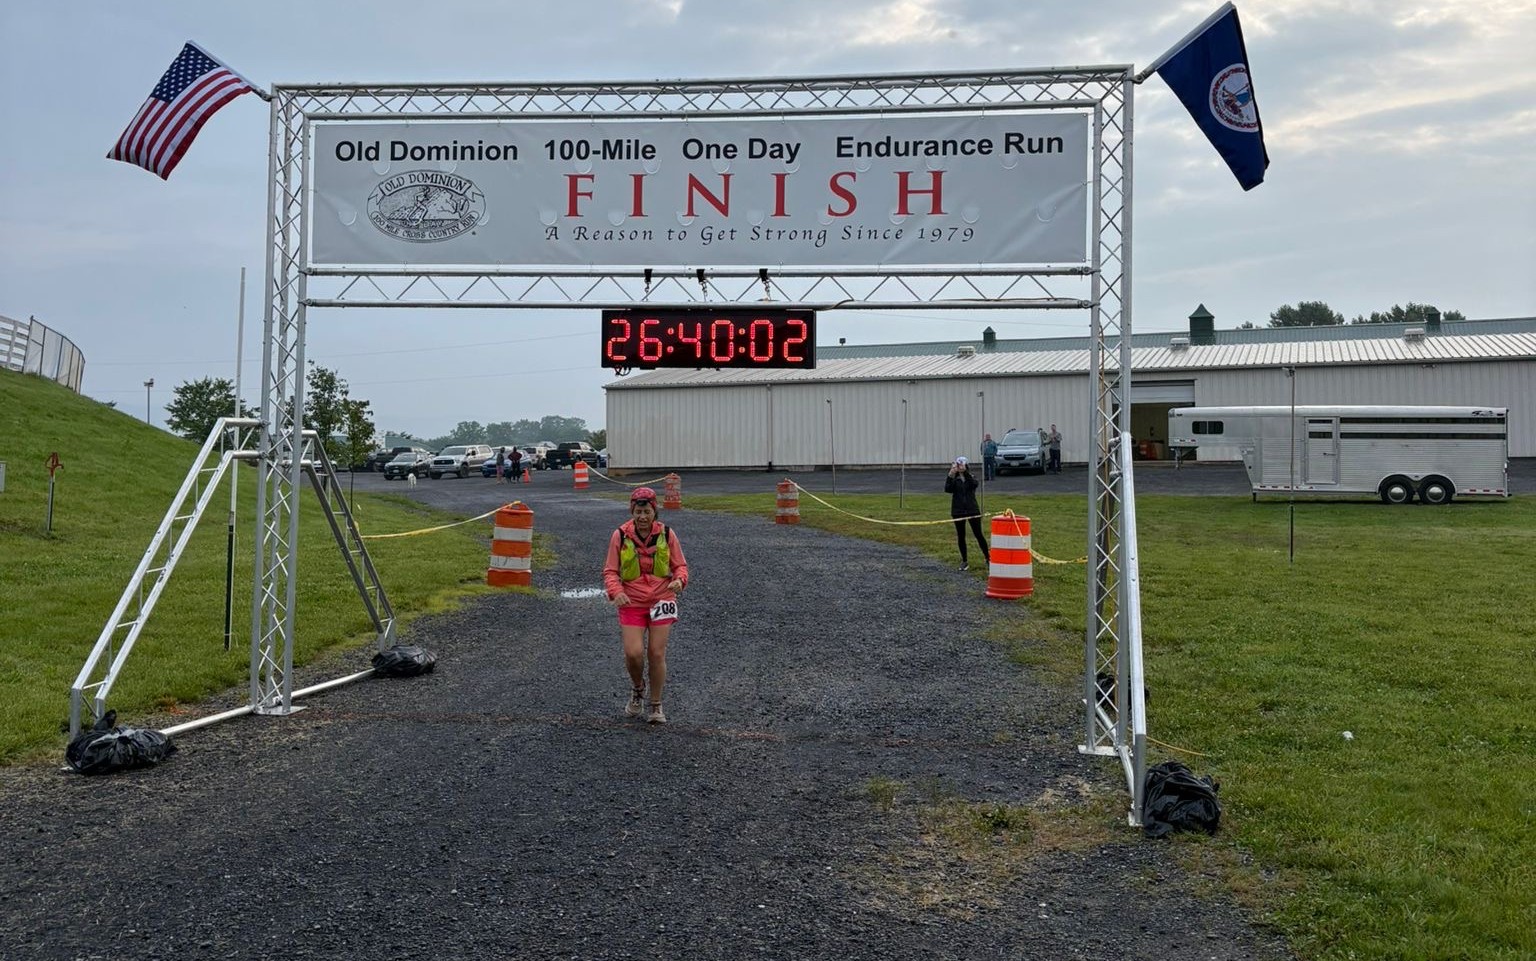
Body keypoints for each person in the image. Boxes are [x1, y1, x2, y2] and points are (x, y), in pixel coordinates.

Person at [602, 487, 689, 724]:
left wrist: (680, 581)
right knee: (633, 653)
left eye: (647, 512)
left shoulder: (668, 534)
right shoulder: (619, 535)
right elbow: (610, 570)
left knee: (656, 653)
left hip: (663, 598)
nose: (642, 517)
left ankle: (656, 704)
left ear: (655, 512)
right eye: (638, 511)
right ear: (632, 511)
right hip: (632, 600)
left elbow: (680, 566)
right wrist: (616, 591)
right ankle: (638, 688)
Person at [944, 457, 989, 572]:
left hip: (972, 510)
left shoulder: (971, 477)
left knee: (978, 534)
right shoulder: (955, 479)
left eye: (961, 465)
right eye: (957, 465)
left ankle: (988, 558)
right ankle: (964, 561)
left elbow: (973, 485)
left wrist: (965, 472)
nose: (959, 467)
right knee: (961, 536)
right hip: (958, 511)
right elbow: (948, 489)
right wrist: (951, 474)